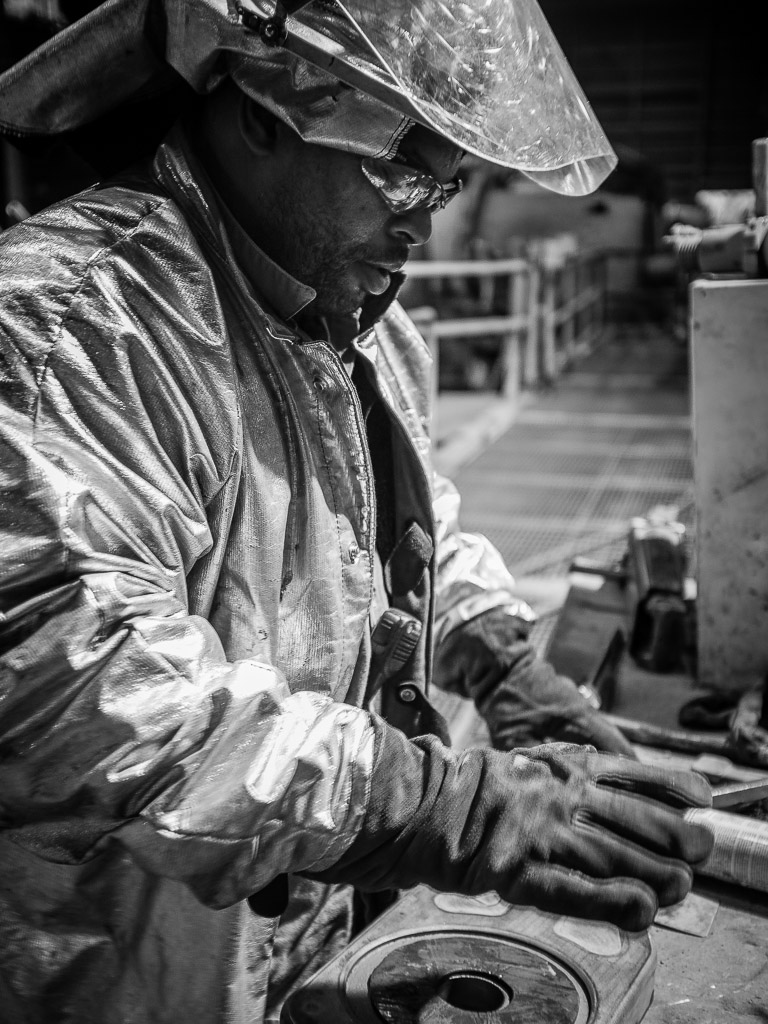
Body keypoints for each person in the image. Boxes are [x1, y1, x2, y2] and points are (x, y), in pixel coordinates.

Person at [0, 2, 712, 1021]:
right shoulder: (66, 332)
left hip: (303, 946)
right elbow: (90, 697)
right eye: (404, 170)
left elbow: (406, 533)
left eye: (450, 181)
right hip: (125, 973)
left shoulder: (357, 317)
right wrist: (441, 805)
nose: (426, 218)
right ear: (262, 109)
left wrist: (508, 668)